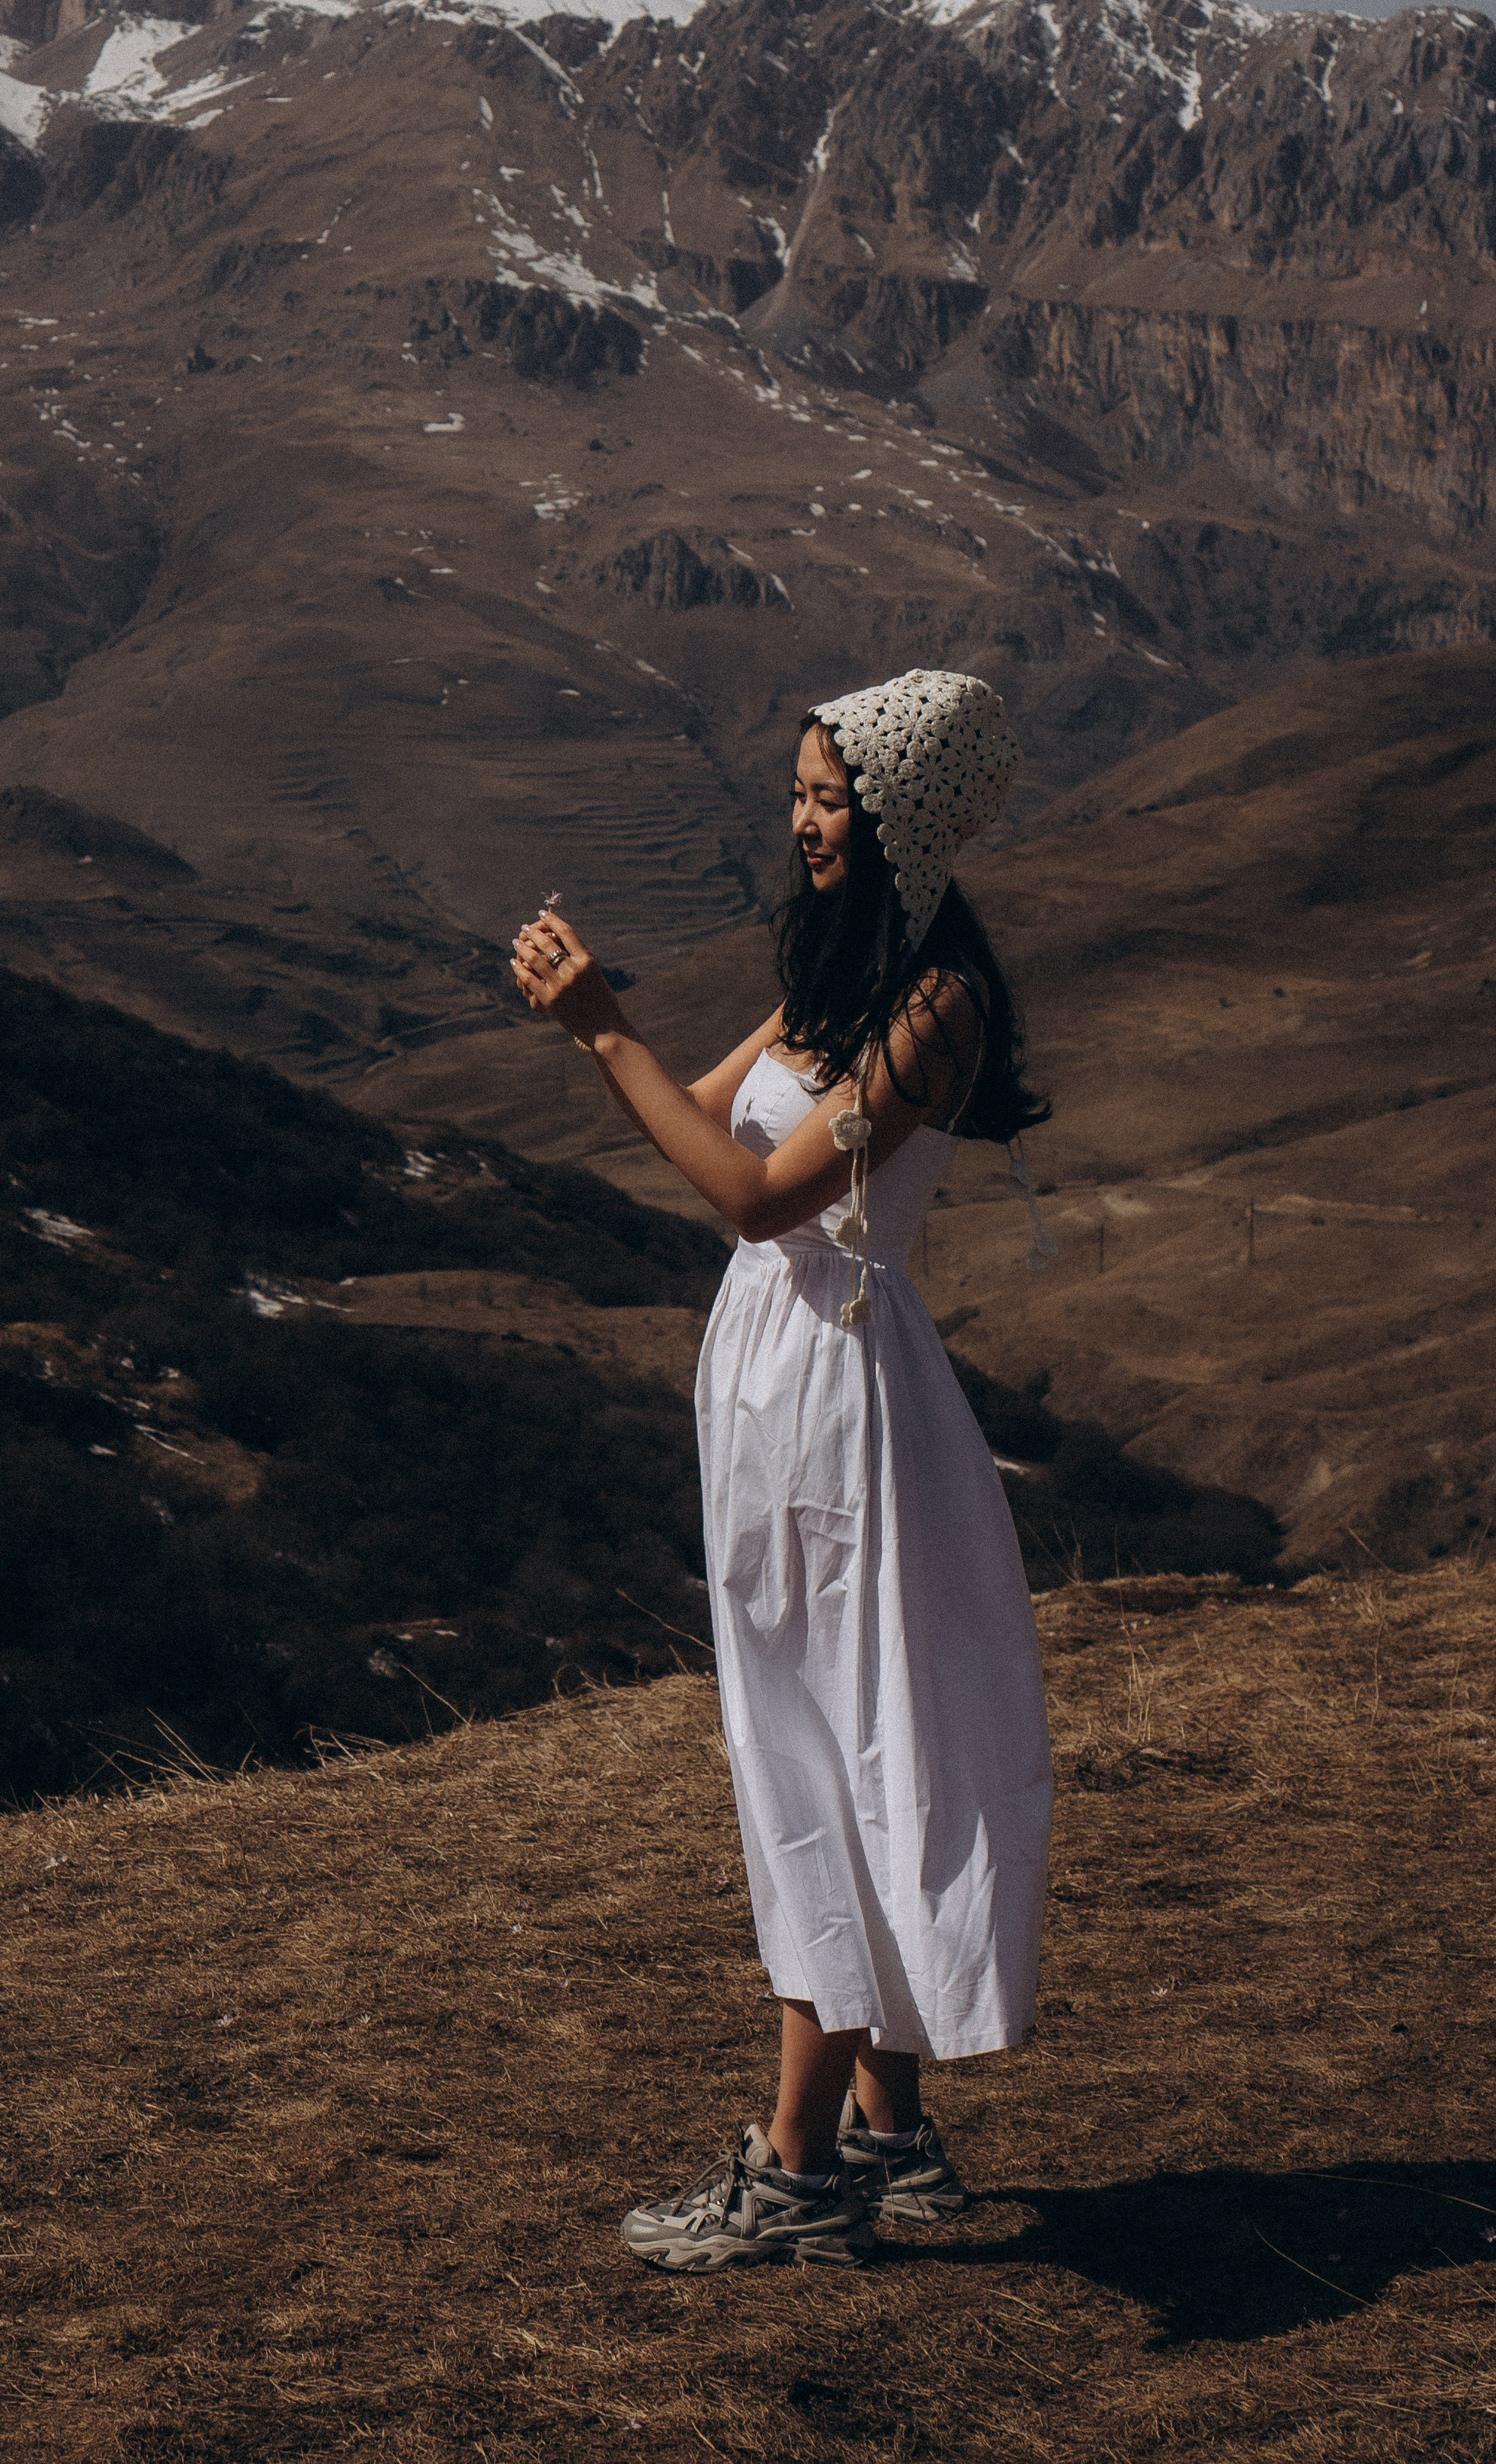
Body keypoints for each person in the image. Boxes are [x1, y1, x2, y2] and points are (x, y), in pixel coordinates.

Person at [511, 668, 1053, 2273]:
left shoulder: (932, 1006)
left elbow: (757, 1198)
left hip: (837, 1403)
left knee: (831, 1749)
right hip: (767, 1387)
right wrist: (604, 1038)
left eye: (832, 797)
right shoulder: (831, 988)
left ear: (903, 821)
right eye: (799, 789)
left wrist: (599, 1026)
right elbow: (710, 1132)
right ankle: (887, 2138)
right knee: (819, 1734)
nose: (804, 820)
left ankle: (793, 2166)